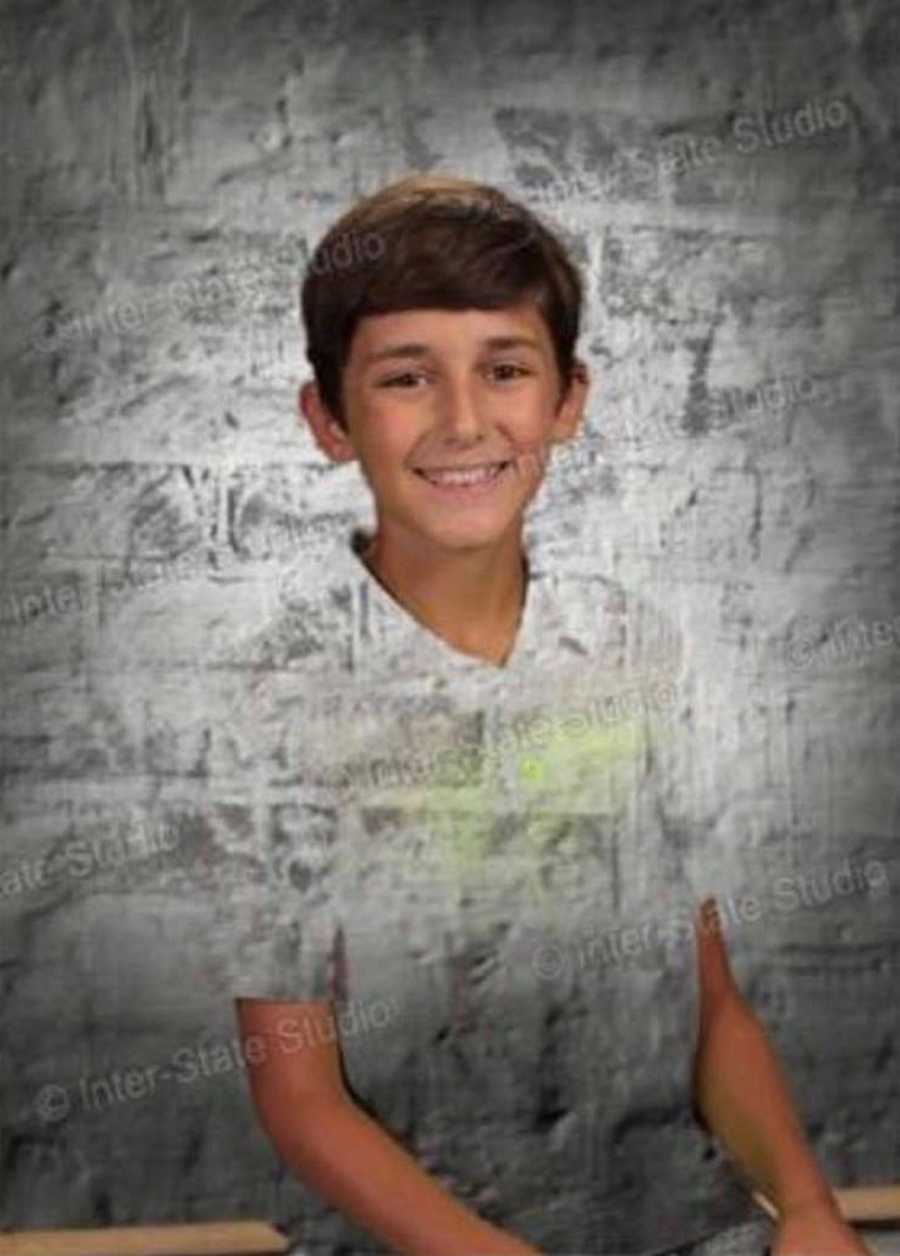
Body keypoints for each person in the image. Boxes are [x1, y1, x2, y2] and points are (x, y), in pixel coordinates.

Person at [232, 174, 869, 1256]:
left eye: (506, 369)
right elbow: (303, 1098)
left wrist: (806, 1209)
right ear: (329, 419)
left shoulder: (631, 645)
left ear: (567, 400)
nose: (464, 421)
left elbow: (709, 1010)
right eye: (405, 377)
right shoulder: (274, 698)